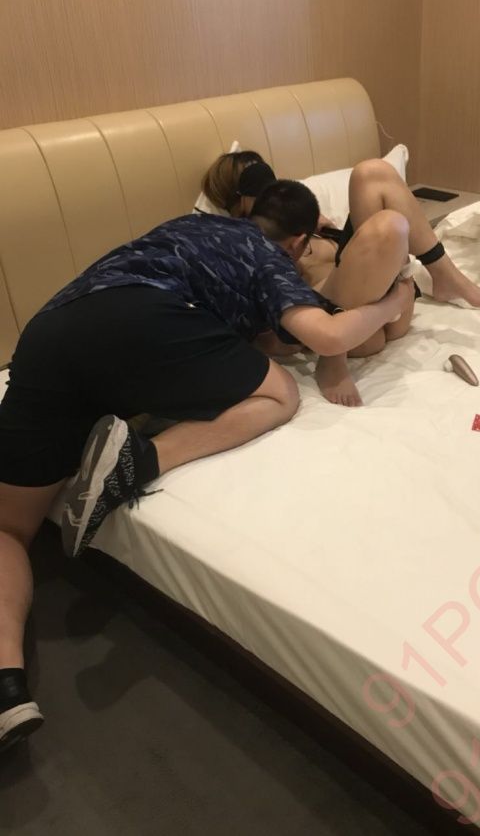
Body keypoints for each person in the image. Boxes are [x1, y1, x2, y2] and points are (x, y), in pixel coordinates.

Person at [0, 180, 413, 751]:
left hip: (51, 332)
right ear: (298, 242)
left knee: (8, 529)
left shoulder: (187, 226)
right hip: (142, 319)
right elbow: (324, 335)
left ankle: (6, 682)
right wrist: (393, 302)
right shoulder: (268, 256)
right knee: (279, 396)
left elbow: (243, 329)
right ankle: (140, 459)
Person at [201, 152, 480, 406]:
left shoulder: (305, 221)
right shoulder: (247, 250)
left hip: (395, 301)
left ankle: (445, 275)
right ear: (240, 201)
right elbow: (268, 334)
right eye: (257, 185)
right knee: (389, 225)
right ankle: (333, 359)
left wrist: (312, 222)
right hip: (351, 330)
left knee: (373, 172)